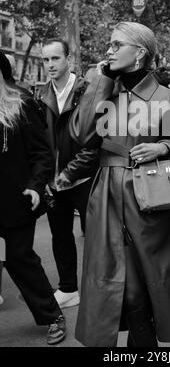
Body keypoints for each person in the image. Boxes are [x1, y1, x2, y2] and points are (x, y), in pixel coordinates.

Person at [70, 21, 170, 347]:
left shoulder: (166, 97)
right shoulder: (104, 88)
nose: (108, 50)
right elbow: (81, 135)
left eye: (115, 44)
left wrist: (161, 147)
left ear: (138, 53)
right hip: (107, 196)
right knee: (121, 285)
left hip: (148, 197)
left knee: (142, 285)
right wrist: (102, 80)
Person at [0, 52, 66, 345]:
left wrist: (36, 186)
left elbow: (42, 154)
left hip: (16, 199)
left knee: (18, 259)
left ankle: (52, 315)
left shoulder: (22, 103)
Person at [39, 38, 99, 309]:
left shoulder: (88, 92)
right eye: (46, 59)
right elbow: (39, 143)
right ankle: (68, 288)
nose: (50, 64)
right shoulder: (41, 95)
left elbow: (94, 144)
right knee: (60, 236)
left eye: (55, 58)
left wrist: (66, 175)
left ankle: (101, 290)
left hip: (85, 179)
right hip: (54, 183)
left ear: (68, 60)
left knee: (98, 238)